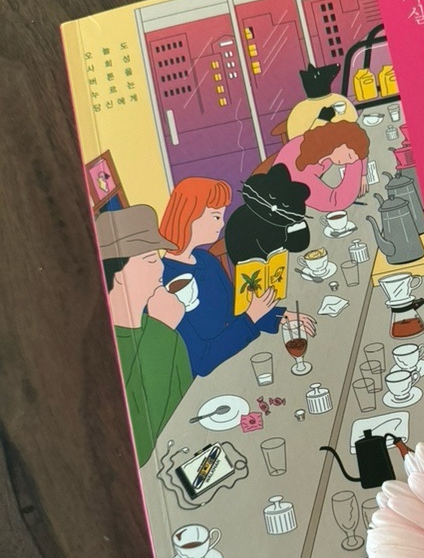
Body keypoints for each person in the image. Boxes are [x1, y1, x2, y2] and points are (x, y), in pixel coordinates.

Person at [160, 177, 315, 377]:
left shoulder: (205, 259)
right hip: (208, 377)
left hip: (234, 356)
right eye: (216, 216)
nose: (222, 223)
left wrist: (281, 317)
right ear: (191, 216)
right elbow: (202, 361)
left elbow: (235, 309)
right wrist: (251, 316)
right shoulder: (164, 282)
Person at [96, 205, 193, 468]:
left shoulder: (168, 335)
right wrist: (161, 333)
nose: (161, 267)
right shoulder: (103, 346)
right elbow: (136, 448)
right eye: (150, 259)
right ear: (119, 273)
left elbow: (188, 413)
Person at [272, 119, 370, 212]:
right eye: (349, 156)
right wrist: (356, 167)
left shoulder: (328, 143)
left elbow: (355, 139)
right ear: (340, 141)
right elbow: (336, 201)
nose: (350, 161)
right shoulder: (302, 176)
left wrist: (363, 173)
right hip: (286, 204)